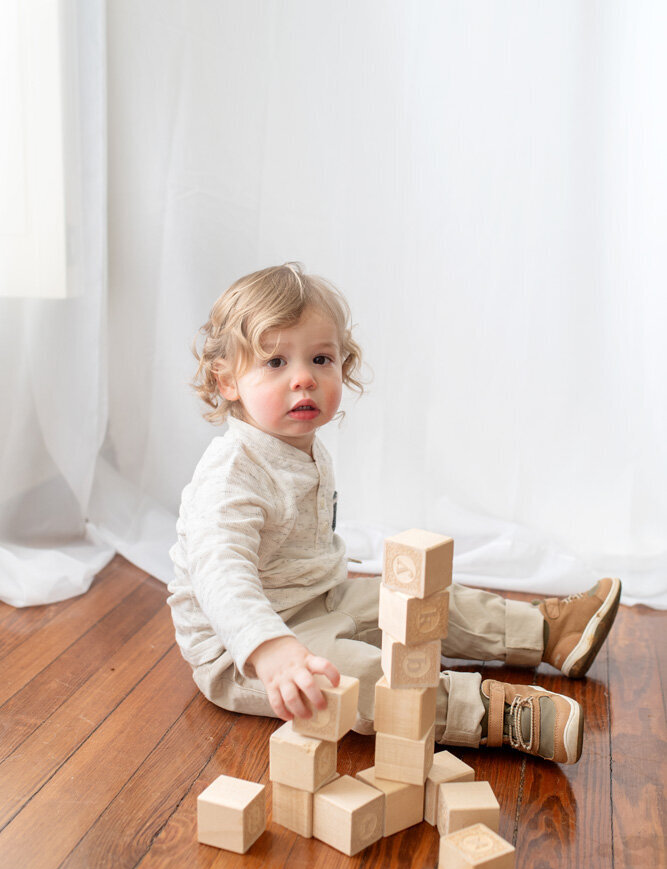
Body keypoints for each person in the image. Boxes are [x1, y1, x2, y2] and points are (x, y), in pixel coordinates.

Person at [168, 263, 621, 765]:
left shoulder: (300, 446)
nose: (304, 379)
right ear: (227, 380)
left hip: (321, 598)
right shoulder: (231, 475)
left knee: (421, 601)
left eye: (321, 359)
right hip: (246, 650)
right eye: (275, 362)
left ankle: (545, 633)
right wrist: (269, 649)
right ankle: (489, 714)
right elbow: (220, 575)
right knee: (357, 677)